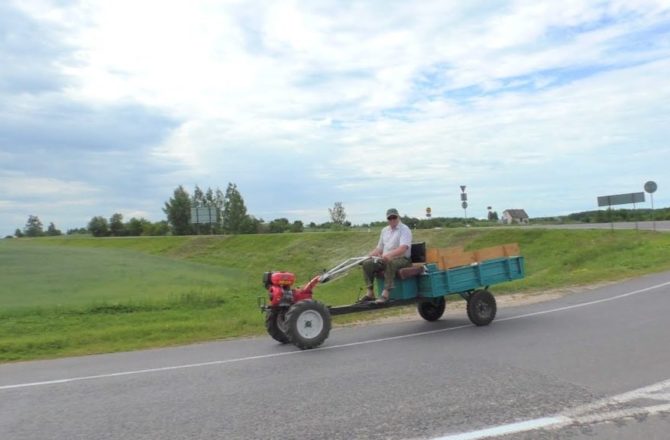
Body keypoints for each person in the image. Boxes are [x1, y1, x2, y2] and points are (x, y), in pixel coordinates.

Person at [360, 208, 412, 304]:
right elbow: (379, 249)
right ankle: (370, 293)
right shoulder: (384, 230)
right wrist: (367, 256)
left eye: (394, 217)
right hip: (385, 259)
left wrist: (389, 255)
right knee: (367, 264)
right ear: (387, 219)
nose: (392, 220)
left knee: (389, 261)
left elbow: (403, 248)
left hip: (403, 259)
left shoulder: (404, 229)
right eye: (390, 218)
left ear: (398, 217)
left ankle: (386, 293)